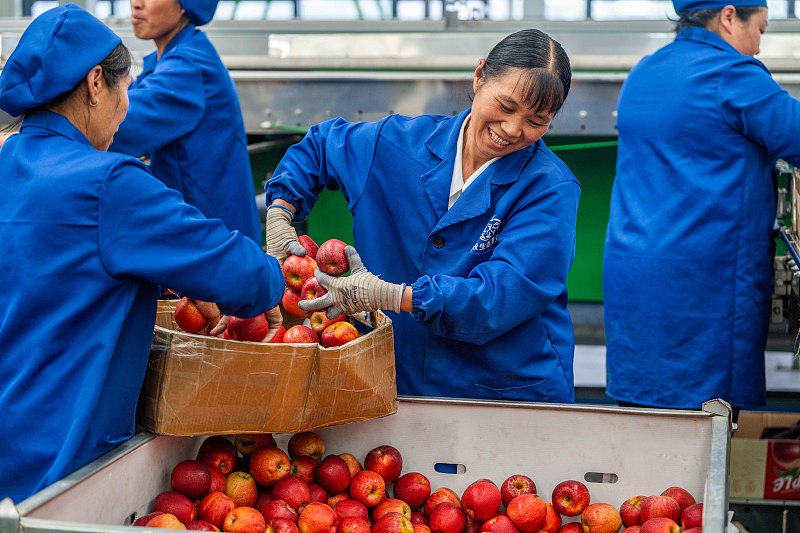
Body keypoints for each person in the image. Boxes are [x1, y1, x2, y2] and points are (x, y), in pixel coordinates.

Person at [0, 4, 284, 502]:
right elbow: (244, 276)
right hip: (63, 463)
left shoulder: (8, 162)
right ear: (95, 84)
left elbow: (57, 268)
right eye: (125, 89)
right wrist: (274, 279)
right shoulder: (110, 183)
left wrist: (170, 271)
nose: (127, 107)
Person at [265, 29, 580, 403]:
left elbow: (501, 295)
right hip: (398, 378)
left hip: (503, 390)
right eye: (506, 106)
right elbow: (320, 147)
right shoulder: (397, 145)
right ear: (480, 76)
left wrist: (395, 296)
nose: (513, 129)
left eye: (536, 120)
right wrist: (281, 211)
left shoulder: (549, 188)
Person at [602, 0, 800, 418]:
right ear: (729, 16)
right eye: (760, 30)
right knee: (700, 435)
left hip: (634, 278)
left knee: (641, 425)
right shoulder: (733, 75)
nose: (758, 47)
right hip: (701, 290)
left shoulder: (645, 71)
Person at [109, 0, 262, 243]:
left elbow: (118, 123)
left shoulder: (187, 66)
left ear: (184, 6)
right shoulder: (172, 58)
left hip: (211, 238)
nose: (136, 4)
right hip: (205, 230)